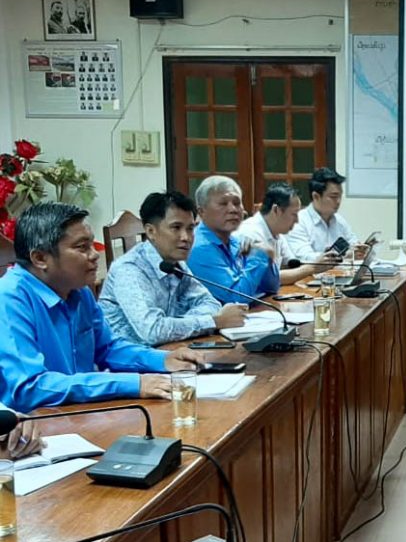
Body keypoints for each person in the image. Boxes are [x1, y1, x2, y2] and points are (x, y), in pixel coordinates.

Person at [0, 202, 204, 414]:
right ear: (40, 258)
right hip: (31, 426)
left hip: (80, 411)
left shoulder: (78, 291)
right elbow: (30, 387)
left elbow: (108, 348)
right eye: (82, 247)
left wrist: (162, 360)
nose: (95, 254)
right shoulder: (9, 298)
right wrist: (134, 384)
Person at [99, 191, 247, 346]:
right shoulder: (129, 270)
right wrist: (213, 322)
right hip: (125, 363)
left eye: (190, 228)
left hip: (168, 351)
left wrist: (175, 325)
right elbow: (153, 331)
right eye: (176, 227)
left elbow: (210, 303)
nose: (186, 237)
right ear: (151, 231)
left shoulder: (175, 264)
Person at [187, 176, 280, 303]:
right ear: (202, 211)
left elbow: (270, 288)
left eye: (237, 203)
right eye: (223, 204)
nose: (233, 210)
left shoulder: (236, 240)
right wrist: (258, 257)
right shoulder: (199, 248)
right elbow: (237, 298)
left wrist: (267, 257)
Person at [235, 182, 340, 285]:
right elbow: (265, 279)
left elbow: (292, 265)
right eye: (294, 214)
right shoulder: (250, 234)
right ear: (276, 210)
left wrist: (319, 261)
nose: (297, 220)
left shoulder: (277, 233)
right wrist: (312, 268)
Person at [286, 167, 367, 262]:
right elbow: (304, 257)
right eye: (333, 197)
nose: (338, 201)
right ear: (316, 196)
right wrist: (343, 256)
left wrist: (359, 250)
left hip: (339, 274)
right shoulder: (298, 221)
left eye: (340, 196)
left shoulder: (339, 220)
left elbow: (352, 243)